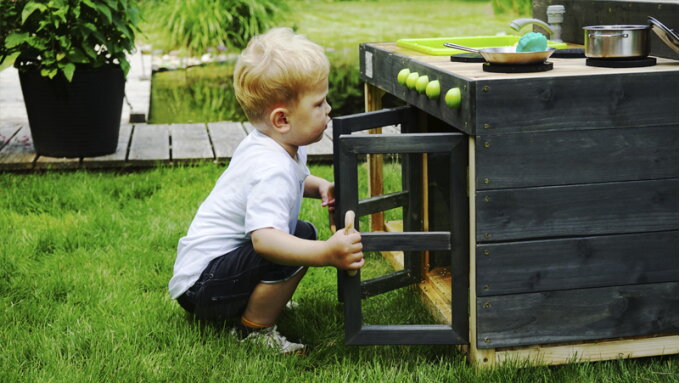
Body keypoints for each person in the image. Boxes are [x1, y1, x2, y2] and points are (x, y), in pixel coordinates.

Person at [168, 27, 364, 354]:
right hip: (204, 287)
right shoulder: (270, 167)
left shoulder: (277, 145)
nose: (328, 109)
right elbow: (265, 241)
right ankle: (253, 331)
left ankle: (263, 301)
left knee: (300, 232)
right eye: (318, 104)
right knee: (289, 246)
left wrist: (320, 187)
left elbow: (296, 179)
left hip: (206, 277)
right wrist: (326, 254)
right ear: (282, 119)